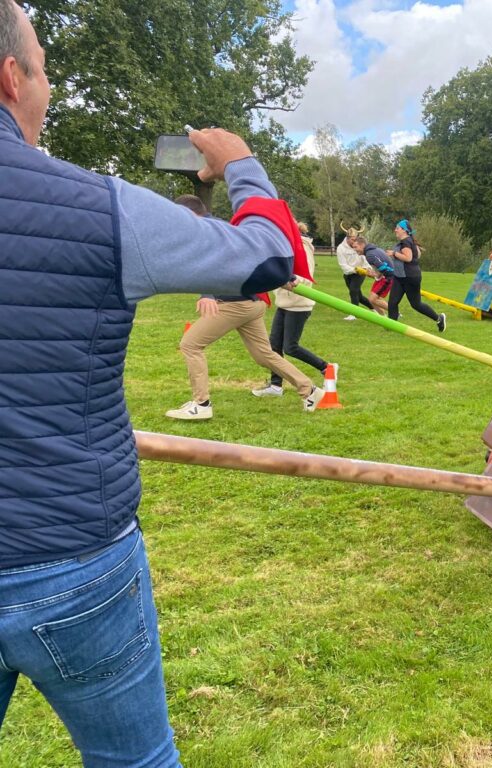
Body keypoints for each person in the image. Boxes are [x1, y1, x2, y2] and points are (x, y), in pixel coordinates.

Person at [0, 2, 304, 762]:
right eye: (44, 68)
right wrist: (240, 160)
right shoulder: (99, 208)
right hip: (72, 559)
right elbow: (271, 256)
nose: (48, 88)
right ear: (12, 77)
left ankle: (286, 384)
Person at [167, 208, 325, 419]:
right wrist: (282, 276)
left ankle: (201, 404)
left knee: (190, 344)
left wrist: (207, 294)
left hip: (234, 304)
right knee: (264, 355)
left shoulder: (209, 231)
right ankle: (310, 391)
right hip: (251, 303)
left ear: (189, 213)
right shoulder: (224, 229)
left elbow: (212, 265)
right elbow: (249, 257)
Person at [252, 222, 335, 398]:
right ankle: (276, 386)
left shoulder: (303, 248)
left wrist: (284, 280)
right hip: (284, 303)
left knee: (290, 347)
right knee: (274, 346)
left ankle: (326, 367)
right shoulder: (284, 248)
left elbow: (305, 277)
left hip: (299, 304)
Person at [386, 219, 446, 332]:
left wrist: (394, 253)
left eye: (397, 228)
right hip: (399, 277)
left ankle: (439, 318)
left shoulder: (406, 242)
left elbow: (408, 258)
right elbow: (417, 255)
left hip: (410, 278)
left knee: (416, 304)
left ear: (404, 230)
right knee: (393, 302)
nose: (395, 230)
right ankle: (391, 326)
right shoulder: (406, 241)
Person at [336, 224, 374, 319]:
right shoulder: (341, 248)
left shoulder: (358, 245)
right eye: (352, 240)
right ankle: (375, 309)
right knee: (359, 296)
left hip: (360, 273)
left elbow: (364, 258)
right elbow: (343, 265)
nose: (354, 242)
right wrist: (354, 269)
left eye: (356, 239)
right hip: (349, 273)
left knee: (353, 291)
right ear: (347, 238)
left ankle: (354, 314)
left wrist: (366, 268)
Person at [352, 235, 394, 315]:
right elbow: (381, 267)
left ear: (362, 245)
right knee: (373, 300)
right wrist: (374, 273)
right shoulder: (375, 249)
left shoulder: (369, 255)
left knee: (373, 299)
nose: (355, 250)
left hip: (388, 277)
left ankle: (395, 312)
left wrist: (373, 274)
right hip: (385, 276)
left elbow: (383, 268)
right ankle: (383, 318)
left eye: (355, 247)